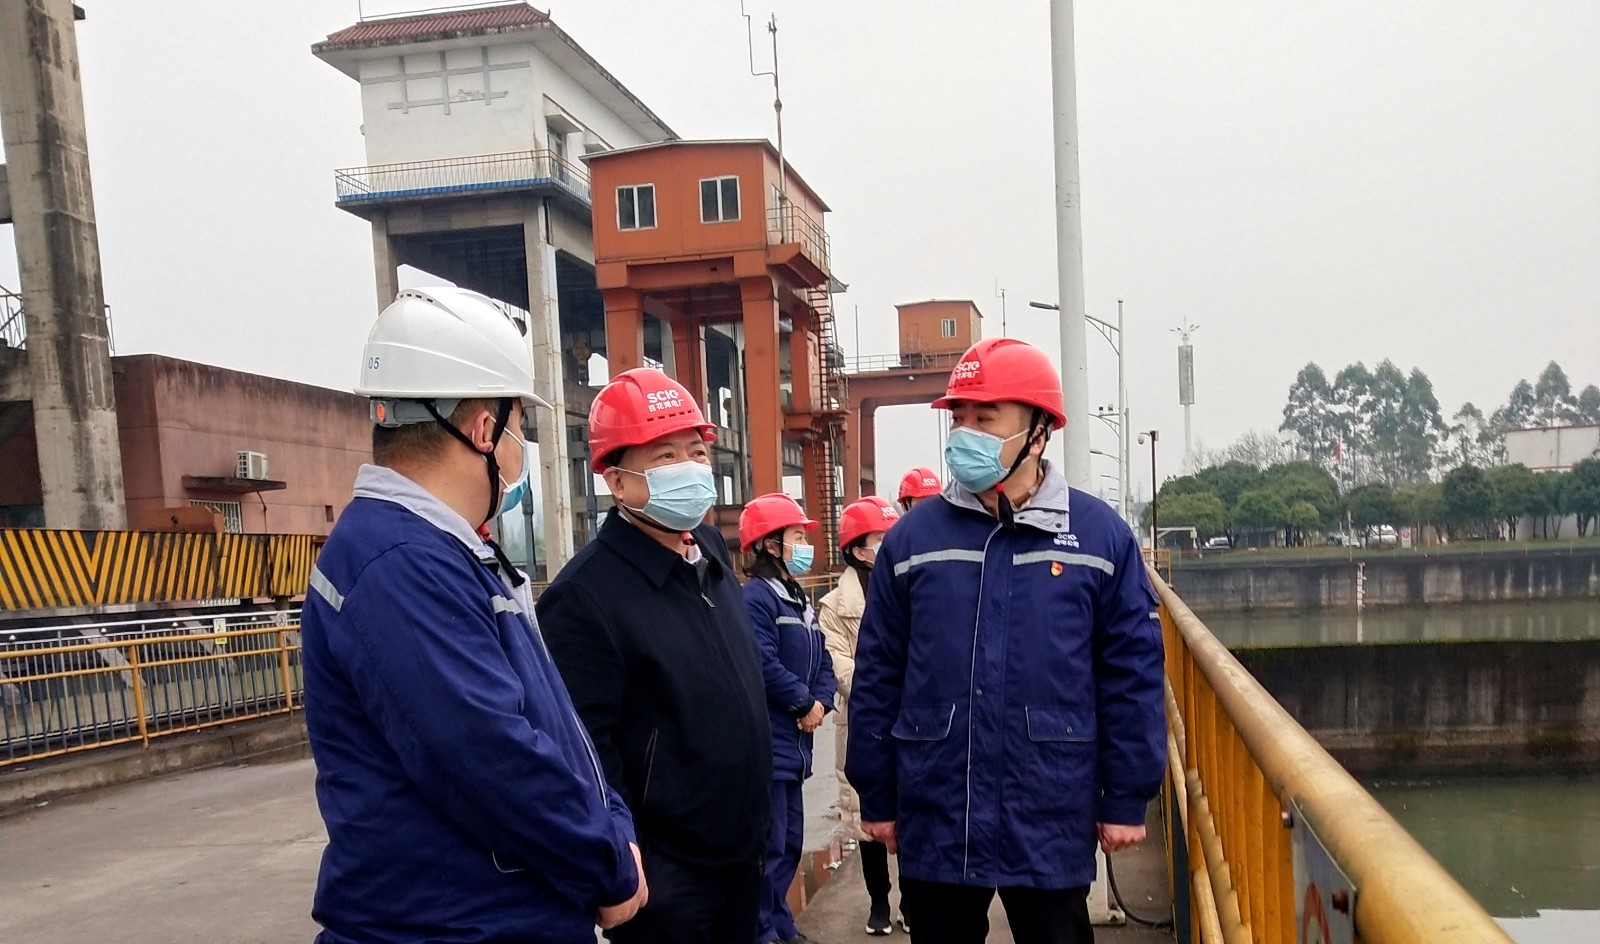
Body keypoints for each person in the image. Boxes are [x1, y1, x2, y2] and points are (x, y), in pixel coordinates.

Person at [302, 287, 645, 944]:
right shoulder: (399, 564)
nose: (520, 449)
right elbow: (489, 754)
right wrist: (608, 864)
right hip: (454, 927)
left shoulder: (441, 552)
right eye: (520, 426)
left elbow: (551, 727)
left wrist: (613, 830)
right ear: (485, 430)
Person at [846, 338, 1166, 944]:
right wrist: (877, 793)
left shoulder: (1100, 538)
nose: (964, 434)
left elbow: (1132, 671)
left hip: (1048, 805)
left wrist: (1126, 795)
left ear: (1038, 432)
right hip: (939, 807)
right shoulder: (912, 541)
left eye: (984, 419)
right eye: (958, 418)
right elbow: (879, 672)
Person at [538, 368, 773, 944]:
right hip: (670, 884)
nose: (690, 467)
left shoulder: (709, 550)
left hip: (743, 859)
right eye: (666, 456)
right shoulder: (583, 598)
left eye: (696, 451)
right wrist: (633, 863)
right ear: (618, 482)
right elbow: (588, 752)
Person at [739, 493, 838, 944]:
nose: (805, 545)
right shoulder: (756, 599)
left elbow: (823, 661)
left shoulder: (797, 599)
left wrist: (820, 702)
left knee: (791, 841)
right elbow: (761, 662)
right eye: (797, 535)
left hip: (797, 745)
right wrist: (802, 702)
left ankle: (780, 923)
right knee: (771, 844)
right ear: (771, 545)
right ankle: (762, 930)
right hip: (772, 740)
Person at [818, 496, 906, 936]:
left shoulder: (909, 585)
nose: (889, 544)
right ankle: (879, 903)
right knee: (867, 816)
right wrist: (888, 686)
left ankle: (912, 902)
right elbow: (839, 666)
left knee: (912, 814)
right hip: (863, 722)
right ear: (857, 549)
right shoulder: (835, 606)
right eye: (880, 538)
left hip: (911, 720)